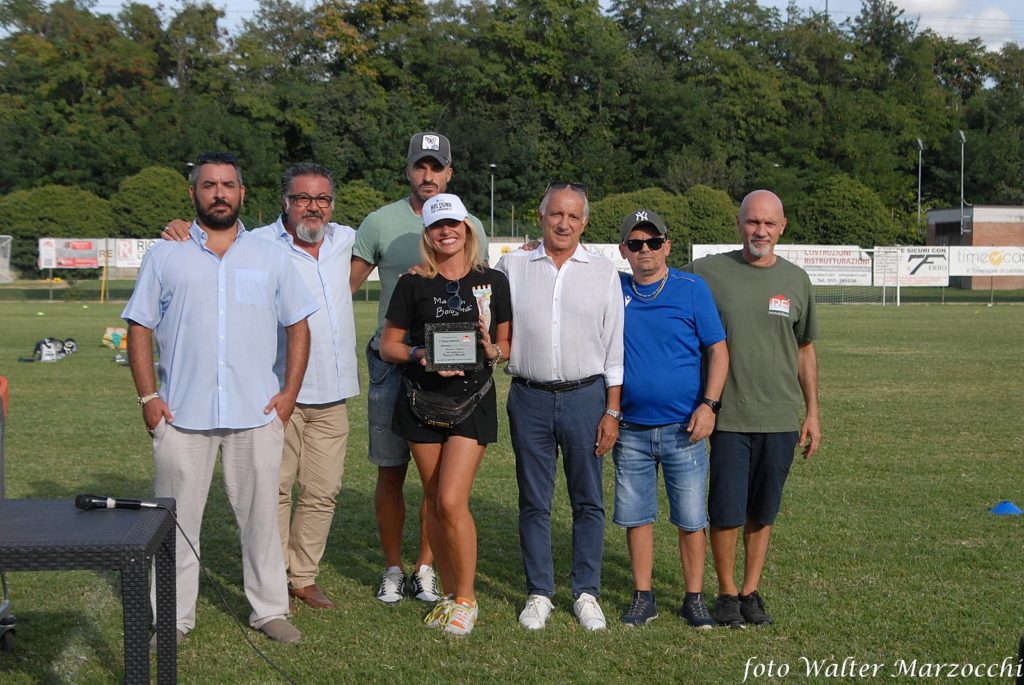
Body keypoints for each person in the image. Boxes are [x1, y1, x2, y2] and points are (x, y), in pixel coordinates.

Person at [124, 151, 316, 645]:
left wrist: (289, 394)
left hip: (256, 412)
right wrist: (148, 397)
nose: (219, 194)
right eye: (208, 185)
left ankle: (269, 610)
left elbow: (298, 325)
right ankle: (173, 617)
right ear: (193, 193)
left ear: (242, 193)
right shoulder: (165, 254)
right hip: (181, 414)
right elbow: (139, 327)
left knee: (260, 520)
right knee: (174, 524)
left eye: (228, 185)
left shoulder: (270, 255)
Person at [162, 163, 359, 611]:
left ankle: (303, 576)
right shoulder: (257, 244)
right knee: (274, 492)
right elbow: (212, 237)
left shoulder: (345, 240)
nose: (313, 207)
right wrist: (180, 226)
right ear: (284, 202)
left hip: (334, 391)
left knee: (323, 491)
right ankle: (273, 578)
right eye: (302, 198)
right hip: (275, 393)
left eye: (322, 199)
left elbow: (416, 233)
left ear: (332, 205)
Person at [350, 132, 489, 605]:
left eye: (436, 166)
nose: (427, 175)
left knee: (437, 482)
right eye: (419, 166)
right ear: (408, 170)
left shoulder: (468, 223)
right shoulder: (379, 222)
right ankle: (393, 567)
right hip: (394, 362)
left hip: (450, 369)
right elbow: (342, 288)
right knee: (390, 471)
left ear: (450, 172)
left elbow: (481, 292)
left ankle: (425, 567)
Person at [686, 189, 821, 628]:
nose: (760, 231)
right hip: (727, 417)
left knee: (763, 511)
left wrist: (812, 412)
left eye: (768, 223)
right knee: (726, 509)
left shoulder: (797, 280)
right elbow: (654, 276)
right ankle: (726, 593)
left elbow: (805, 349)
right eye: (752, 221)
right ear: (739, 223)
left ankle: (750, 591)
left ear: (782, 228)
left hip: (779, 418)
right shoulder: (707, 272)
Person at [379, 193, 511, 636]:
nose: (446, 231)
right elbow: (389, 345)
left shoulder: (493, 280)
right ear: (428, 233)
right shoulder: (413, 282)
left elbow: (506, 346)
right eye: (437, 226)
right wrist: (419, 353)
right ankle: (452, 594)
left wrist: (493, 350)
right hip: (422, 400)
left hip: (472, 400)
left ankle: (467, 599)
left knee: (452, 500)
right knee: (435, 499)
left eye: (453, 223)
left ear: (467, 228)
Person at [496, 182, 624, 631]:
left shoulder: (603, 272)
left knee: (588, 500)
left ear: (584, 222)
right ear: (541, 216)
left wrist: (612, 411)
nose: (563, 223)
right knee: (534, 500)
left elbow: (614, 348)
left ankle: (586, 592)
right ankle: (539, 592)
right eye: (556, 214)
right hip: (528, 397)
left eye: (572, 216)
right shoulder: (512, 265)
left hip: (586, 398)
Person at [613, 208, 728, 629]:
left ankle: (693, 598)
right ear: (624, 250)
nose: (645, 250)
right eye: (636, 243)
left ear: (668, 246)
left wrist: (709, 405)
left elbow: (718, 350)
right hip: (631, 428)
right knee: (636, 516)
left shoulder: (691, 288)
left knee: (691, 519)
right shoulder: (614, 288)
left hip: (685, 429)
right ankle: (643, 596)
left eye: (654, 242)